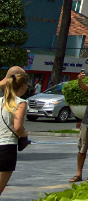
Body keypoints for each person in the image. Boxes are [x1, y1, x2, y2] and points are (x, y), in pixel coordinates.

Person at [0, 68, 30, 196]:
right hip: (7, 148)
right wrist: (25, 134)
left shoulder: (1, 101)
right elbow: (18, 127)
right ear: (22, 86)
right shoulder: (20, 103)